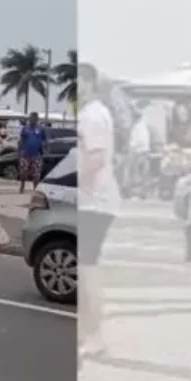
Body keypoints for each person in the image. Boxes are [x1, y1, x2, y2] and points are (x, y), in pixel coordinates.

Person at [78, 62, 121, 362]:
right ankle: (89, 333)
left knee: (88, 270)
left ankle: (95, 337)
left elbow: (95, 160)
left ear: (90, 83)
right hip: (96, 201)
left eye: (78, 82)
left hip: (94, 202)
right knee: (87, 269)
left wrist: (74, 188)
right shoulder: (94, 113)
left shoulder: (92, 116)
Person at [17, 112, 48, 193]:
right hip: (25, 155)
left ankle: (35, 189)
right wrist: (19, 152)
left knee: (36, 174)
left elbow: (45, 141)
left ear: (37, 119)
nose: (33, 120)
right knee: (23, 172)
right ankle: (22, 185)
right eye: (31, 118)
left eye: (35, 118)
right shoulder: (25, 129)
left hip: (37, 155)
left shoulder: (41, 129)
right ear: (29, 119)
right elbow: (21, 141)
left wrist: (43, 147)